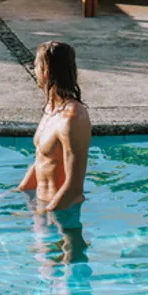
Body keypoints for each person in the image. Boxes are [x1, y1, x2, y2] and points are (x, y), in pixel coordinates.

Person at [17, 40, 91, 211]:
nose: (33, 70)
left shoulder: (73, 117)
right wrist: (20, 191)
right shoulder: (51, 109)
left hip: (63, 212)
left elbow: (74, 188)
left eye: (35, 66)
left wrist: (47, 214)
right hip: (44, 206)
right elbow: (42, 159)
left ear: (46, 71)